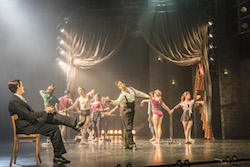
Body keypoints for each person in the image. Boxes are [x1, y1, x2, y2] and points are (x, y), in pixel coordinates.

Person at [8, 79, 85, 165]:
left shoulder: (18, 99)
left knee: (52, 115)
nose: (23, 87)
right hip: (27, 127)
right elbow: (29, 115)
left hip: (31, 122)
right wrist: (45, 112)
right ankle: (59, 155)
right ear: (18, 87)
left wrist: (47, 112)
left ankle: (74, 126)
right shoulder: (15, 101)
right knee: (53, 125)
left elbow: (30, 115)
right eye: (22, 85)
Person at [106, 81, 150, 149]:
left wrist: (147, 96)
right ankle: (131, 144)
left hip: (132, 109)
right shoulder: (122, 95)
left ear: (124, 84)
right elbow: (117, 102)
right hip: (126, 111)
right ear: (119, 88)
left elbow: (138, 93)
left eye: (121, 84)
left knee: (128, 128)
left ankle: (126, 144)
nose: (121, 86)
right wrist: (109, 100)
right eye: (119, 86)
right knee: (128, 127)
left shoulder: (131, 89)